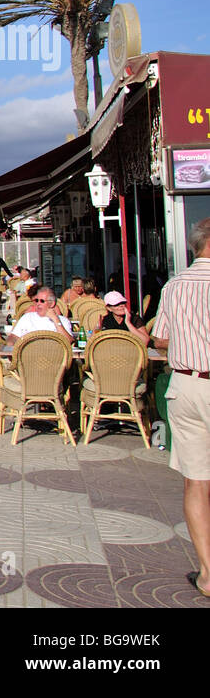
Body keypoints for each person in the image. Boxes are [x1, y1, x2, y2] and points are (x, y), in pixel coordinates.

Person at [148, 218, 210, 597]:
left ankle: (207, 572)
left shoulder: (174, 286)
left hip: (186, 384)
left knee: (197, 481)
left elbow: (161, 340)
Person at [7, 286, 73, 343]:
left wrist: (56, 320)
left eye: (42, 301)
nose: (38, 304)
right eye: (36, 301)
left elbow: (69, 341)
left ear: (52, 303)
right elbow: (13, 337)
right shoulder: (27, 317)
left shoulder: (62, 320)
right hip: (29, 355)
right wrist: (11, 345)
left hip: (54, 355)